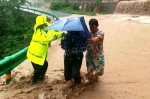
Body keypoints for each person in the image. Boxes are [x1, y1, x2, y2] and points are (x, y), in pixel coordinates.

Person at [27, 15, 63, 84]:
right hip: (34, 55)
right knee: (38, 69)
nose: (43, 26)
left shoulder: (47, 30)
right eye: (42, 25)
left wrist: (61, 34)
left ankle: (41, 78)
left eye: (44, 24)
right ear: (38, 25)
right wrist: (59, 36)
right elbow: (48, 38)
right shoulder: (38, 32)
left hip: (40, 55)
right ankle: (34, 81)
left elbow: (53, 33)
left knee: (44, 66)